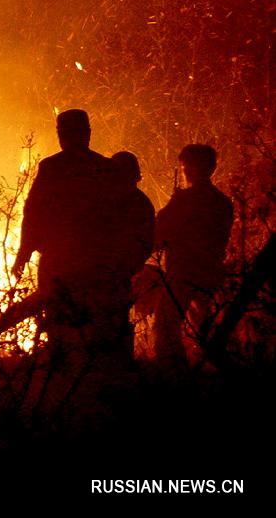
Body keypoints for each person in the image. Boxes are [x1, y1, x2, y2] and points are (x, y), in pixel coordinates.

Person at [13, 109, 117, 363]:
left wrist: (23, 253)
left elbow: (33, 211)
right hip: (94, 259)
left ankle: (62, 369)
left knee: (58, 315)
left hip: (60, 259)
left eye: (65, 132)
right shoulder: (104, 167)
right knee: (92, 318)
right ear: (88, 133)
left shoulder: (52, 167)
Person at [153, 144, 233, 370]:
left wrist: (173, 205)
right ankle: (215, 373)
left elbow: (161, 231)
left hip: (184, 272)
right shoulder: (223, 202)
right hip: (211, 273)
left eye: (188, 166)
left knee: (166, 325)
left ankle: (173, 375)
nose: (186, 171)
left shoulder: (186, 200)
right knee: (208, 329)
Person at [108, 151, 156, 358]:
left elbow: (144, 243)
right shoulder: (141, 202)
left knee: (113, 319)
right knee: (116, 318)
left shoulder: (131, 204)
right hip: (117, 271)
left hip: (115, 273)